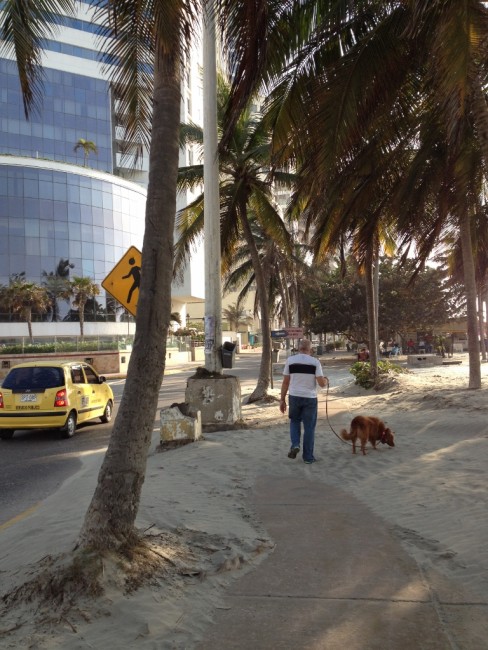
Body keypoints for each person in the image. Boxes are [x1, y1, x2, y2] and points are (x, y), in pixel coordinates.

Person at [280, 339, 328, 464]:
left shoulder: (290, 361)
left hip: (294, 396)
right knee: (309, 428)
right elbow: (321, 384)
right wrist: (326, 381)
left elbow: (285, 382)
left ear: (298, 348)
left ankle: (295, 444)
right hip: (310, 398)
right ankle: (308, 457)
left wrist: (282, 400)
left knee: (295, 421)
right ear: (310, 349)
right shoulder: (315, 362)